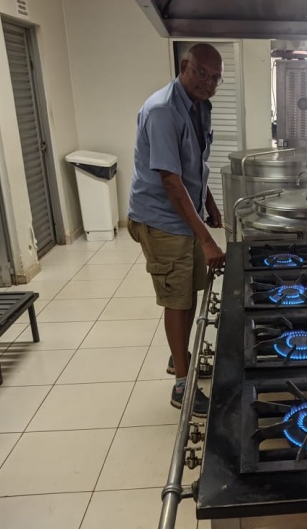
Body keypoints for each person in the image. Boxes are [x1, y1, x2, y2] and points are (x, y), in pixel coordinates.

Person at [127, 43, 226, 416]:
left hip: (185, 216)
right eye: (202, 73)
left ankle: (179, 355)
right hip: (162, 221)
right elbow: (170, 178)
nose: (209, 83)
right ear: (185, 66)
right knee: (178, 300)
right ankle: (182, 386)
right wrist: (206, 238)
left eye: (215, 78)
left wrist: (209, 203)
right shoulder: (163, 111)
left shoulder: (199, 107)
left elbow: (193, 165)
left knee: (189, 292)